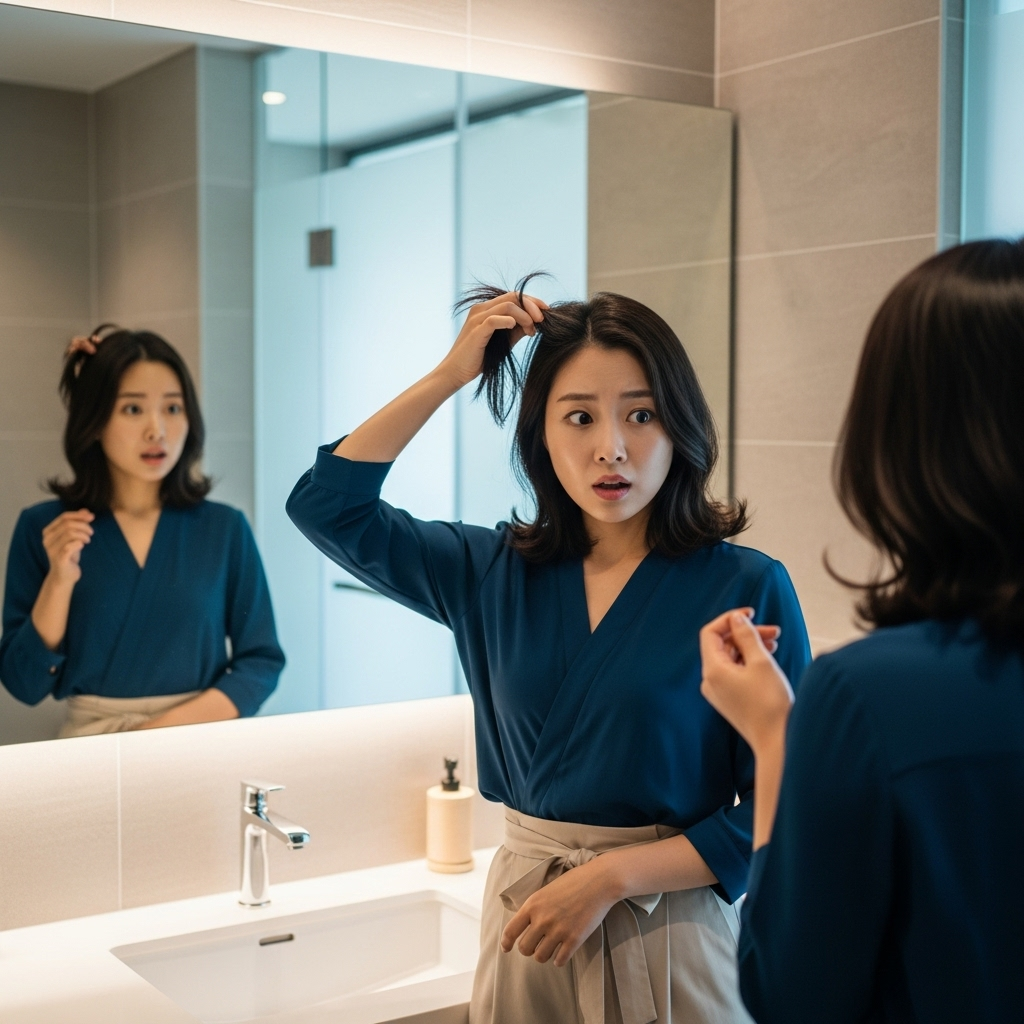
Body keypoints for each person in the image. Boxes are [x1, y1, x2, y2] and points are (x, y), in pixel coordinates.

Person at [286, 281, 811, 1023]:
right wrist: (450, 375)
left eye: (641, 414)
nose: (612, 448)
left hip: (672, 934)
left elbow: (789, 806)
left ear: (681, 428)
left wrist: (612, 877)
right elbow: (326, 507)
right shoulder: (489, 572)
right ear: (541, 437)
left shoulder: (746, 585)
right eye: (579, 417)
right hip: (530, 931)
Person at [697, 239, 1024, 1022]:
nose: (612, 446)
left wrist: (776, 740)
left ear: (896, 437)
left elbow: (794, 995)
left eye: (641, 414)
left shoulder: (870, 697)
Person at [0, 325, 284, 737]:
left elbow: (261, 664)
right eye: (133, 410)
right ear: (94, 421)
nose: (158, 430)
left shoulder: (225, 529)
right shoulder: (44, 528)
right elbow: (24, 684)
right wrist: (59, 581)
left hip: (196, 741)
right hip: (88, 752)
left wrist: (157, 730)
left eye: (173, 408)